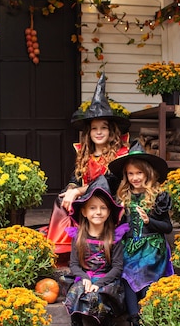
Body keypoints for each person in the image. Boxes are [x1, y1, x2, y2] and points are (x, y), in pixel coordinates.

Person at [45, 73, 130, 258]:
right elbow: (74, 178)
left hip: (110, 198)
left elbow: (108, 181)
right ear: (89, 132)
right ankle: (63, 248)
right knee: (61, 200)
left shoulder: (120, 154)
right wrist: (71, 189)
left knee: (86, 198)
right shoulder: (84, 154)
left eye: (104, 127)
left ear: (111, 130)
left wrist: (78, 192)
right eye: (94, 128)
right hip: (87, 198)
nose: (99, 132)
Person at [109, 141, 174, 326]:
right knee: (127, 273)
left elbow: (167, 227)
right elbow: (118, 226)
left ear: (147, 173)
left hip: (153, 246)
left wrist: (149, 221)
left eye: (139, 173)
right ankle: (135, 325)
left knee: (146, 270)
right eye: (130, 174)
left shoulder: (158, 196)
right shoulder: (122, 198)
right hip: (129, 246)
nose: (135, 178)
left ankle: (153, 321)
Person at [63, 175, 129, 326]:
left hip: (106, 280)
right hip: (84, 277)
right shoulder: (78, 237)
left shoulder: (114, 237)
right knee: (75, 290)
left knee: (102, 294)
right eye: (92, 208)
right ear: (84, 211)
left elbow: (117, 267)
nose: (98, 212)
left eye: (103, 208)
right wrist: (84, 278)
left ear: (108, 212)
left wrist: (98, 283)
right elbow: (74, 264)